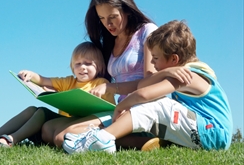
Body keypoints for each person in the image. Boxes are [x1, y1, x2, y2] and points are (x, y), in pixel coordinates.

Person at [62, 20, 233, 154]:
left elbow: (144, 94)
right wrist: (162, 73)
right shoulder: (181, 72)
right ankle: (100, 138)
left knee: (156, 105)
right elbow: (143, 84)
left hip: (212, 134)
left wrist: (121, 106)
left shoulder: (187, 76)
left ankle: (102, 139)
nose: (152, 62)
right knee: (160, 108)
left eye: (156, 58)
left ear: (174, 60)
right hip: (204, 132)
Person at [40, 0, 159, 149]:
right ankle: (123, 139)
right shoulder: (110, 42)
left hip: (141, 108)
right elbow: (93, 80)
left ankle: (144, 141)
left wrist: (112, 87)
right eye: (102, 18)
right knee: (48, 130)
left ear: (126, 9)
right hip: (119, 107)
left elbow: (151, 82)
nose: (107, 24)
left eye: (112, 17)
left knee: (63, 137)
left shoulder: (147, 31)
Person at [0, 41, 115, 147]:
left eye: (88, 63)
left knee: (42, 112)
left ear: (99, 66)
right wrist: (31, 75)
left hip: (77, 127)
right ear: (72, 67)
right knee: (31, 110)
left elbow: (107, 110)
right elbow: (44, 80)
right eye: (78, 64)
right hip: (58, 123)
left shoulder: (100, 83)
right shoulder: (69, 81)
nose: (82, 67)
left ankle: (10, 140)